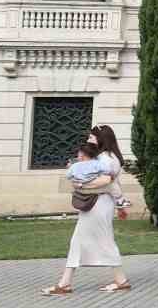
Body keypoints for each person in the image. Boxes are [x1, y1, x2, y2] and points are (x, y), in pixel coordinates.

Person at [44, 126, 131, 296]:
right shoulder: (104, 157)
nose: (89, 140)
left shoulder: (107, 159)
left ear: (101, 138)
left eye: (92, 137)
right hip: (98, 203)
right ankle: (66, 283)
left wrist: (81, 184)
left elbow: (107, 181)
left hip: (99, 204)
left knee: (102, 240)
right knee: (81, 241)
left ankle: (120, 281)